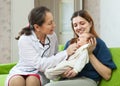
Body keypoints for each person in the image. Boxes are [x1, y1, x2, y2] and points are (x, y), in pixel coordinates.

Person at [5, 6, 78, 86]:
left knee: (32, 80)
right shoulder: (25, 39)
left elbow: (55, 56)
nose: (54, 25)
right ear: (37, 27)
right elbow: (40, 64)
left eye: (53, 22)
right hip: (21, 70)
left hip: (40, 74)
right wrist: (66, 53)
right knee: (17, 81)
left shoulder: (52, 36)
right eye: (50, 23)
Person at [45, 10, 116, 86]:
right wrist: (64, 74)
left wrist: (90, 53)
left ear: (90, 23)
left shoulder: (98, 44)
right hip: (67, 80)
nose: (78, 27)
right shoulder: (70, 43)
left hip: (87, 80)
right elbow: (62, 65)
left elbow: (107, 75)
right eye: (75, 25)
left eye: (82, 23)